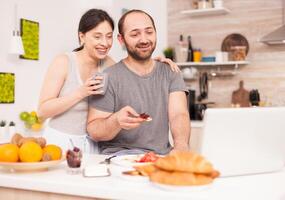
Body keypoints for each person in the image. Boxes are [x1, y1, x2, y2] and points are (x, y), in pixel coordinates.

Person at [38, 9, 180, 153]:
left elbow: (128, 69)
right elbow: (42, 111)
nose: (104, 43)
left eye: (108, 36)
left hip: (92, 144)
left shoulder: (108, 64)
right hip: (61, 141)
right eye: (97, 37)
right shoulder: (64, 61)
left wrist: (154, 62)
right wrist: (81, 93)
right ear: (82, 37)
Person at [87, 9, 191, 155]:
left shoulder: (170, 72)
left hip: (160, 156)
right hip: (120, 158)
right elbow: (94, 130)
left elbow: (179, 114)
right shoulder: (108, 77)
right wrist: (116, 121)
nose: (144, 39)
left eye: (149, 32)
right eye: (135, 34)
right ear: (121, 40)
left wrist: (180, 146)